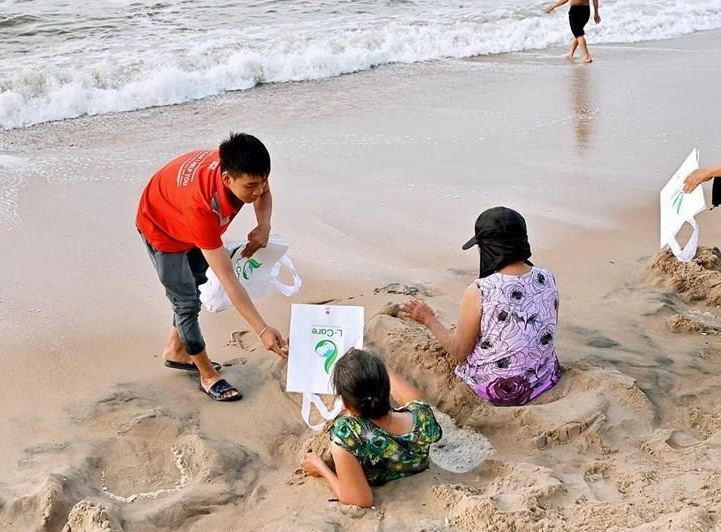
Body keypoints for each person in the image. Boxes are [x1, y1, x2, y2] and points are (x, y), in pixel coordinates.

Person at [136, 133, 287, 402]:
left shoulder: (246, 169)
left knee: (195, 281)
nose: (259, 191)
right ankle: (207, 376)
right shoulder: (202, 208)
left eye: (263, 182)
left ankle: (176, 350)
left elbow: (263, 187)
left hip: (181, 210)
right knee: (185, 302)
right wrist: (262, 330)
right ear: (227, 179)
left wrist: (264, 225)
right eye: (251, 186)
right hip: (161, 226)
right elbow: (228, 277)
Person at [400, 207, 561, 406]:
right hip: (544, 378)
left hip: (499, 389)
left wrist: (428, 319)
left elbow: (459, 352)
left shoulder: (480, 290)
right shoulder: (547, 278)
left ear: (487, 248)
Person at [300, 349, 442, 508]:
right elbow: (416, 399)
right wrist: (376, 367)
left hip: (376, 477)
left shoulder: (349, 434)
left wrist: (320, 468)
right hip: (417, 466)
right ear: (388, 389)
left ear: (345, 403)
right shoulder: (422, 416)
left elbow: (360, 500)